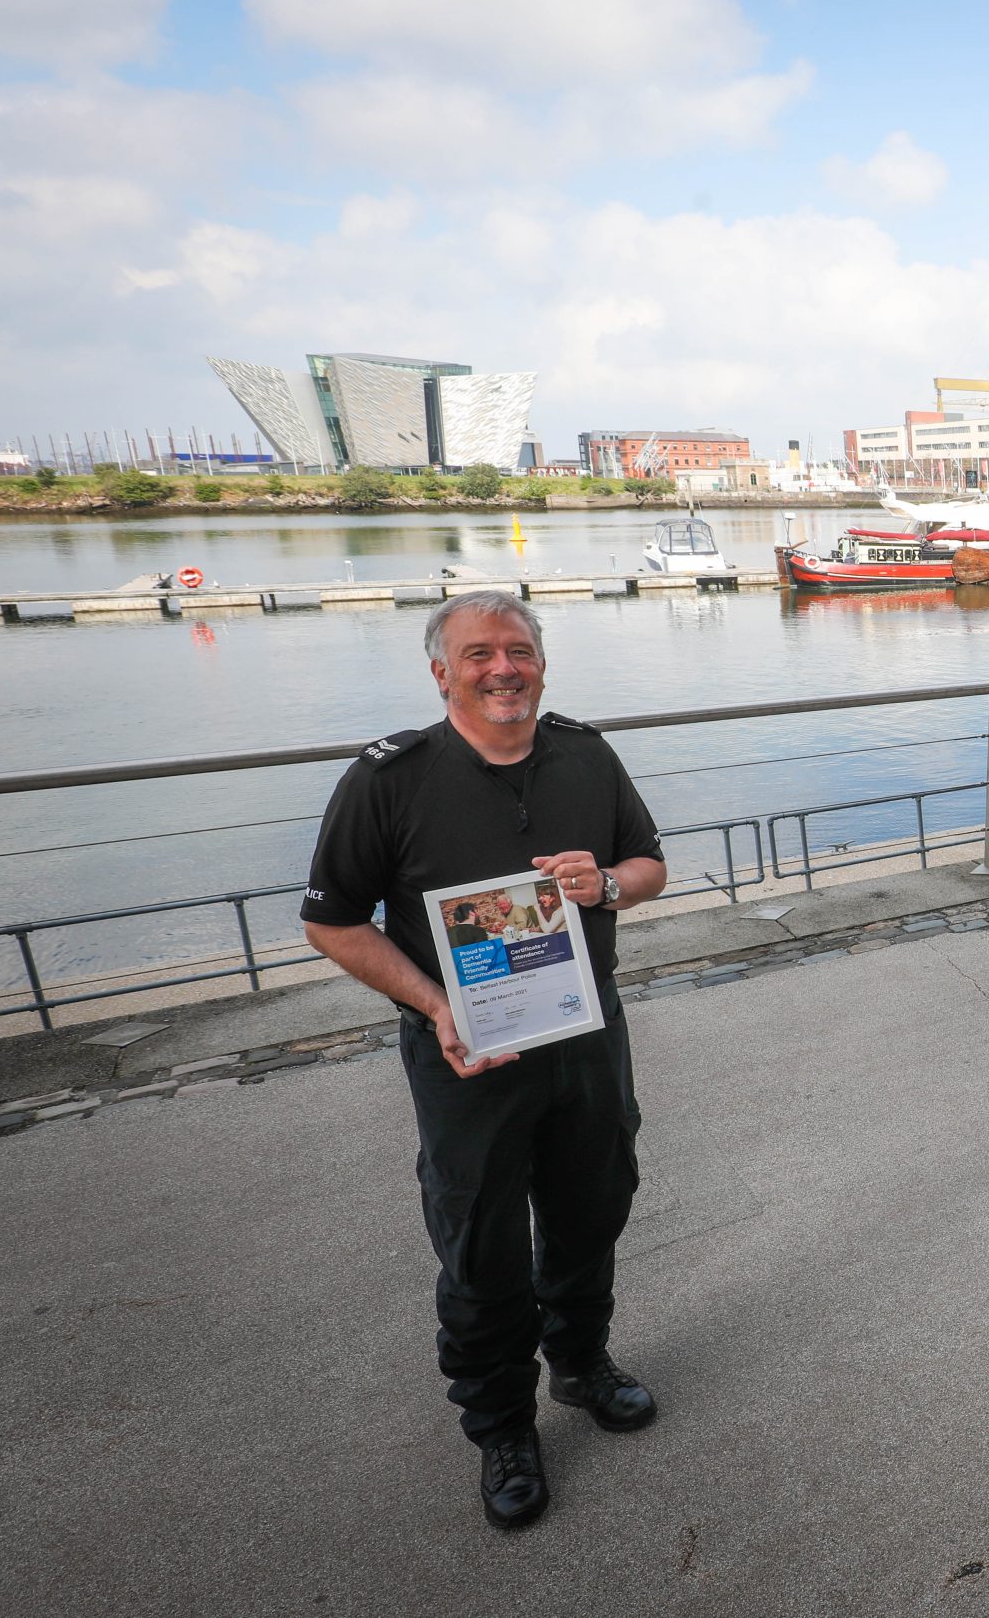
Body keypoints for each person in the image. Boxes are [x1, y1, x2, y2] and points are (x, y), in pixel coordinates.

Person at [300, 590, 669, 1531]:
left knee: (593, 1209)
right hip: (467, 1057)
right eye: (479, 655)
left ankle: (582, 1365)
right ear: (442, 673)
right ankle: (502, 1424)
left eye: (518, 651)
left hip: (585, 1041)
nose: (503, 668)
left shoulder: (587, 755)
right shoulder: (389, 779)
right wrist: (433, 1004)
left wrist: (607, 886)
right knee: (481, 1243)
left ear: (541, 663)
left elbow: (649, 866)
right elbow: (330, 921)